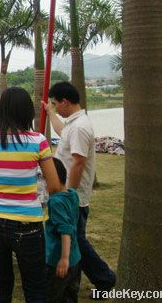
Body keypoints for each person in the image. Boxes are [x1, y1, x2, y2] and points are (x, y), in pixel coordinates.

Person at [0, 87, 59, 303]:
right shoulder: (37, 141)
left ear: (0, 110)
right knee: (34, 287)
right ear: (27, 111)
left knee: (1, 284)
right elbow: (55, 186)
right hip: (27, 223)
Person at [43, 82, 116, 295]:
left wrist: (68, 195)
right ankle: (102, 278)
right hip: (69, 194)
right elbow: (61, 130)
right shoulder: (73, 125)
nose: (55, 107)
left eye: (56, 104)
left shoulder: (80, 127)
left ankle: (105, 279)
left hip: (73, 196)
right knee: (75, 239)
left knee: (77, 241)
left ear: (65, 101)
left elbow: (78, 163)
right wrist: (49, 113)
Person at [45, 157, 81, 303]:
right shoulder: (72, 194)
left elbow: (65, 230)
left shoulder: (55, 201)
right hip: (75, 259)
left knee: (51, 297)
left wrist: (63, 259)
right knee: (70, 297)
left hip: (58, 261)